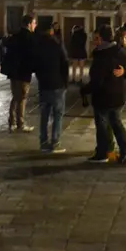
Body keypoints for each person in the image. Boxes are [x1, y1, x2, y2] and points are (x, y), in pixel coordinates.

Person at [81, 25, 126, 164]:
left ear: (102, 38)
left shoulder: (102, 55)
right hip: (117, 96)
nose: (94, 41)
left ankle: (103, 153)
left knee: (103, 126)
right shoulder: (119, 51)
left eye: (96, 38)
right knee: (116, 123)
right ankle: (125, 149)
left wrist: (85, 90)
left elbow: (98, 80)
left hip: (103, 96)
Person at [32, 23, 70, 153]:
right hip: (57, 84)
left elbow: (35, 66)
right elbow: (65, 63)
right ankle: (55, 142)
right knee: (58, 114)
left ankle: (43, 142)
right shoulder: (57, 44)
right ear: (51, 32)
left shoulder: (37, 46)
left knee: (44, 114)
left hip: (44, 85)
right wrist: (65, 82)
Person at [1, 14, 37, 133]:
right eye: (34, 23)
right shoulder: (30, 38)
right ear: (29, 24)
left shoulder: (15, 36)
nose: (35, 25)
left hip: (13, 71)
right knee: (22, 97)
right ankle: (20, 123)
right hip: (23, 72)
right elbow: (32, 56)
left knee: (15, 97)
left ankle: (12, 121)